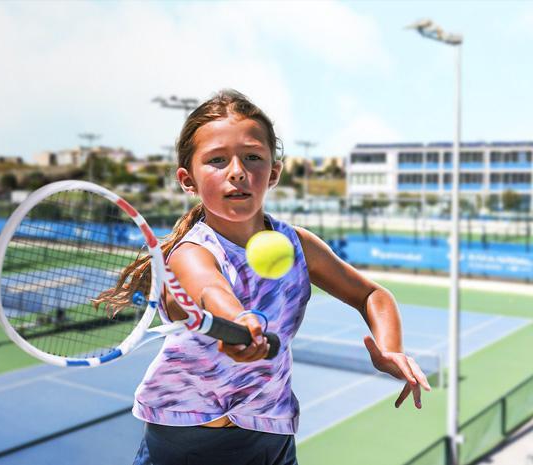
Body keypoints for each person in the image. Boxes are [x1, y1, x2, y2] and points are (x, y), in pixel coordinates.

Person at [101, 89, 431, 465]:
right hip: (186, 444)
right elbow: (211, 291)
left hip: (270, 437)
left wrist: (390, 349)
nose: (238, 171)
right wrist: (241, 323)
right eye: (217, 160)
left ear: (273, 173)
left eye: (253, 157)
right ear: (187, 180)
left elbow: (372, 295)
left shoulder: (298, 245)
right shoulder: (189, 253)